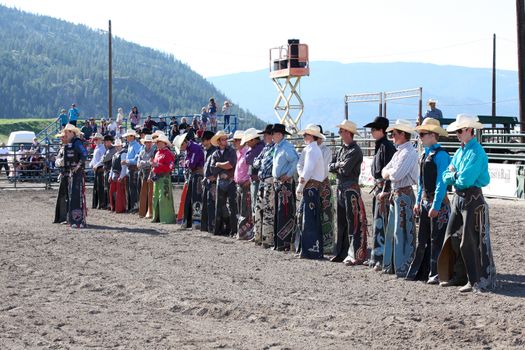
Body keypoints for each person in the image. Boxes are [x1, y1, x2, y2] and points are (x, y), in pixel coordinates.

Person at [438, 114, 496, 292]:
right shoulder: (461, 151)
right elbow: (446, 176)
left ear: (469, 130)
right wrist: (455, 175)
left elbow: (466, 179)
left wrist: (454, 175)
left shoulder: (476, 152)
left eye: (460, 130)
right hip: (461, 198)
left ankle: (474, 279)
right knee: (452, 237)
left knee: (469, 240)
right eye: (456, 131)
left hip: (472, 199)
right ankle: (461, 275)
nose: (457, 133)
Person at [405, 118, 450, 283]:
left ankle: (436, 273)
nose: (420, 137)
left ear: (433, 135)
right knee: (423, 238)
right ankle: (423, 272)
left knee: (436, 239)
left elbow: (442, 182)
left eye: (423, 134)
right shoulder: (425, 154)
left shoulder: (442, 155)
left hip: (436, 203)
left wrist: (436, 205)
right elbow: (421, 180)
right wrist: (418, 201)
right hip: (425, 201)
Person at [381, 120, 419, 277]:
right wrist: (389, 173)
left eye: (394, 134)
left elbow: (395, 175)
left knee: (401, 231)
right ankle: (397, 265)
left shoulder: (409, 152)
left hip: (403, 194)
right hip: (398, 194)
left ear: (403, 134)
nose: (392, 137)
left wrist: (389, 173)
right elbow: (385, 172)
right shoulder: (400, 153)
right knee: (394, 230)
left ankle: (403, 266)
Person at [329, 120, 368, 265]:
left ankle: (354, 253)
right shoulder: (343, 149)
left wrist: (337, 166)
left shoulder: (355, 150)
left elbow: (344, 170)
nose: (340, 133)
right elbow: (332, 166)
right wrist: (338, 165)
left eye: (341, 131)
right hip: (342, 188)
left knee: (353, 222)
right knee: (341, 222)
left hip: (350, 189)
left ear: (347, 132)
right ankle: (342, 252)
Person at [363, 116, 397, 271]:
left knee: (382, 222)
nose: (372, 132)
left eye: (375, 129)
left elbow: (390, 172)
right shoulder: (381, 146)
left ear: (382, 130)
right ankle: (376, 256)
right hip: (379, 187)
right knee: (378, 221)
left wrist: (386, 190)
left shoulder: (386, 147)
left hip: (383, 188)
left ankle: (382, 257)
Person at [295, 124, 326, 259]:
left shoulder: (312, 150)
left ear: (311, 136)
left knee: (309, 218)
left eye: (306, 135)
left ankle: (309, 249)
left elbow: (307, 170)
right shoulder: (311, 149)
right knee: (309, 217)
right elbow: (304, 168)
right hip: (312, 186)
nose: (304, 137)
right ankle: (310, 249)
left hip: (311, 186)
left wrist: (300, 186)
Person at [271, 123, 299, 251]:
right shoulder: (278, 147)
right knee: (279, 211)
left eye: (273, 134)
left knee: (285, 212)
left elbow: (296, 161)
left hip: (285, 184)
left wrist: (288, 175)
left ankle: (285, 242)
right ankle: (280, 242)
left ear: (280, 134)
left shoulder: (286, 147)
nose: (272, 136)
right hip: (279, 182)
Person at [209, 130, 237, 236]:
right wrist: (223, 168)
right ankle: (220, 229)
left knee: (232, 207)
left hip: (230, 182)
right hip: (221, 181)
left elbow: (230, 164)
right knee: (220, 206)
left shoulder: (231, 151)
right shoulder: (215, 153)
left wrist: (218, 164)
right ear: (219, 141)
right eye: (223, 139)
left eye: (225, 139)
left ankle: (232, 230)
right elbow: (212, 169)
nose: (225, 141)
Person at [175, 132, 205, 229]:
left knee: (196, 197)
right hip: (193, 174)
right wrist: (186, 163)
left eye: (181, 146)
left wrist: (185, 163)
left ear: (184, 142)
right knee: (189, 198)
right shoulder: (190, 149)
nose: (181, 149)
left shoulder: (194, 148)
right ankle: (188, 221)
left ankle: (196, 221)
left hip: (198, 174)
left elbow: (192, 163)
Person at [61, 124, 88, 228]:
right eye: (66, 132)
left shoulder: (77, 142)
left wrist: (78, 165)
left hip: (77, 173)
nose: (66, 134)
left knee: (77, 196)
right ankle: (73, 219)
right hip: (73, 172)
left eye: (68, 132)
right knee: (73, 196)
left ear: (72, 133)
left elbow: (84, 154)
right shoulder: (71, 143)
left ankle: (78, 220)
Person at [252, 125, 275, 248]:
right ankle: (259, 236)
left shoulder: (275, 148)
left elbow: (264, 163)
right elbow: (255, 162)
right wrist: (260, 162)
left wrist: (260, 162)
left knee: (268, 210)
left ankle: (268, 238)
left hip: (269, 181)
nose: (264, 137)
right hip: (262, 181)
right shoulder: (266, 148)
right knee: (258, 208)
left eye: (266, 135)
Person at [233, 130, 255, 240]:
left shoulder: (246, 153)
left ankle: (246, 233)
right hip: (240, 185)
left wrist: (249, 180)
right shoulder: (239, 153)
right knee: (241, 208)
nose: (234, 142)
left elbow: (252, 168)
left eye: (236, 140)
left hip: (246, 184)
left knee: (246, 209)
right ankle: (241, 232)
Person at [316, 125, 334, 255]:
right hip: (314, 184)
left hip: (322, 184)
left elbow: (324, 170)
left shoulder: (325, 151)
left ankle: (327, 244)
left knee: (326, 213)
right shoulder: (309, 150)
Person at [151, 134, 176, 224]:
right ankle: (157, 217)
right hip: (157, 177)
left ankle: (166, 218)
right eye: (157, 142)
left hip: (164, 177)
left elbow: (170, 167)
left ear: (164, 143)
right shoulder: (158, 153)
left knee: (164, 197)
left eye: (159, 142)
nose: (157, 143)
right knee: (156, 197)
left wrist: (158, 165)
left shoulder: (168, 153)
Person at [242, 128, 265, 227]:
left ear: (252, 140)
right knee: (255, 205)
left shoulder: (259, 148)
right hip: (256, 180)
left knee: (256, 205)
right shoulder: (258, 147)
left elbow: (248, 159)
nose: (247, 144)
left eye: (248, 141)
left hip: (257, 181)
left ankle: (257, 229)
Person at [201, 131, 217, 233]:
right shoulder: (207, 151)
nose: (203, 143)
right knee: (207, 204)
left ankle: (212, 226)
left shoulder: (215, 152)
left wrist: (214, 176)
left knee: (212, 204)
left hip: (213, 182)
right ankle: (207, 226)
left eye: (204, 141)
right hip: (207, 181)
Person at [122, 130, 142, 213]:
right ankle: (132, 206)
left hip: (133, 169)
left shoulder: (136, 146)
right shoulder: (131, 146)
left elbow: (137, 159)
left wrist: (127, 161)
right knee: (131, 188)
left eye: (128, 136)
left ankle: (135, 206)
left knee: (133, 188)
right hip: (130, 169)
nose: (126, 138)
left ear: (132, 137)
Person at [137, 134, 156, 218]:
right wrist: (146, 162)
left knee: (150, 192)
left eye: (150, 142)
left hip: (150, 172)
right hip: (144, 172)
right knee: (143, 192)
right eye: (147, 142)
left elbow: (151, 163)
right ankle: (142, 212)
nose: (148, 144)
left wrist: (143, 162)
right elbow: (138, 164)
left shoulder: (154, 151)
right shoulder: (142, 152)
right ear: (144, 143)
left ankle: (150, 211)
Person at [53, 132, 69, 223]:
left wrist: (58, 161)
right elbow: (57, 161)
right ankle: (62, 217)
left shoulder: (67, 148)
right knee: (62, 196)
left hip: (66, 174)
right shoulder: (63, 148)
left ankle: (65, 217)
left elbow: (61, 161)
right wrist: (59, 161)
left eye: (63, 137)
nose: (61, 139)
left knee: (66, 196)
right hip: (63, 173)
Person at [109, 139, 128, 213]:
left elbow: (124, 166)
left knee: (120, 193)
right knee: (112, 191)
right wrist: (110, 175)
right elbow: (112, 167)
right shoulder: (115, 155)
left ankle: (120, 208)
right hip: (114, 174)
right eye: (116, 146)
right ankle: (113, 207)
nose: (117, 147)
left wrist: (122, 176)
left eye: (118, 146)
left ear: (121, 146)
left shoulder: (123, 154)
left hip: (119, 174)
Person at [89, 133, 106, 209]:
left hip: (100, 168)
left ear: (99, 139)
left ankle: (101, 203)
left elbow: (103, 159)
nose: (94, 140)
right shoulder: (97, 148)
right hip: (96, 168)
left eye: (96, 139)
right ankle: (96, 204)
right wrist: (91, 164)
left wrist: (96, 165)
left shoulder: (102, 148)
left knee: (100, 186)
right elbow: (94, 159)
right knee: (96, 186)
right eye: (94, 139)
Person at [101, 135, 117, 210]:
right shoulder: (109, 150)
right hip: (107, 170)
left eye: (107, 141)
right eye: (105, 141)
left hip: (110, 170)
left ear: (110, 142)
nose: (106, 143)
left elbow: (104, 159)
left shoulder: (112, 150)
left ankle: (111, 204)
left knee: (110, 188)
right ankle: (109, 203)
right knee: (107, 188)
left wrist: (103, 158)